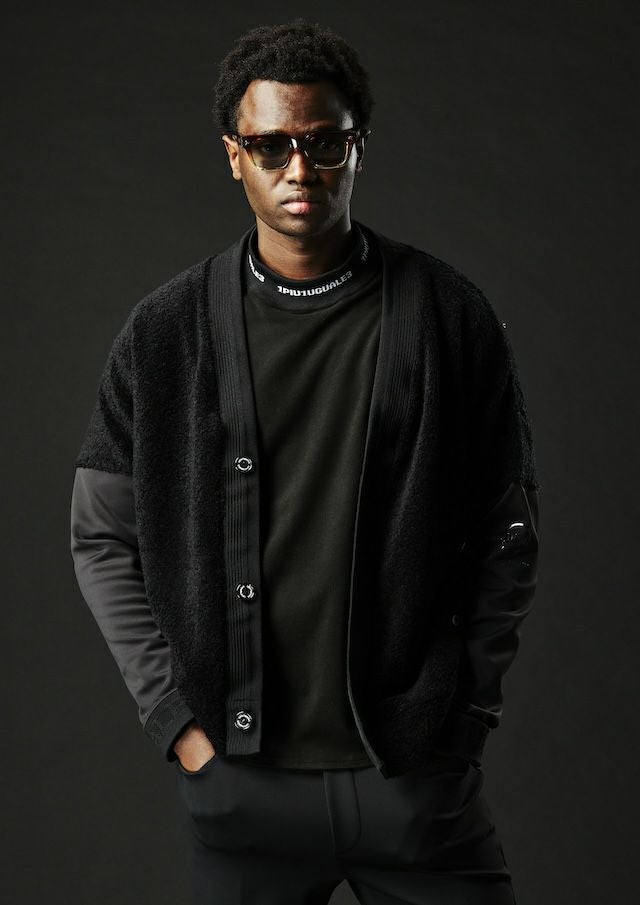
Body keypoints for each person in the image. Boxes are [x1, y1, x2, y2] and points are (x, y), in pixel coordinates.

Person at [70, 17, 540, 905]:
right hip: (244, 791)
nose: (300, 168)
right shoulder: (164, 334)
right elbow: (100, 536)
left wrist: (465, 714)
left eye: (324, 143)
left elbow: (508, 530)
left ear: (358, 147)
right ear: (234, 154)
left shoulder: (448, 316)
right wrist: (179, 726)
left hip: (410, 782)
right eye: (271, 145)